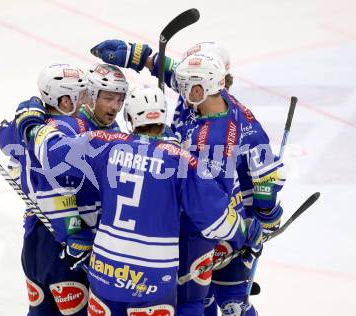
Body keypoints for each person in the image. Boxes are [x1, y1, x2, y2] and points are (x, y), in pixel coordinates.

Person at [13, 86, 264, 316]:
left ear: (131, 119)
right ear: (163, 119)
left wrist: (31, 124)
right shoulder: (181, 161)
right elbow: (216, 220)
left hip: (106, 272)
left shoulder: (105, 145)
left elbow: (53, 151)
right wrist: (245, 232)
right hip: (153, 279)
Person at [91, 40, 285, 316]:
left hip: (215, 225)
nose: (177, 88)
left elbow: (264, 175)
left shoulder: (236, 128)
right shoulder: (201, 101)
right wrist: (141, 57)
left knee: (223, 301)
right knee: (198, 300)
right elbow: (174, 74)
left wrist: (266, 214)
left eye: (184, 84)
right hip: (196, 220)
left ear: (201, 87)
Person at [0, 62, 128, 316]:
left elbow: (7, 141)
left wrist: (25, 118)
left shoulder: (101, 129)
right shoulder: (70, 128)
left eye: (120, 99)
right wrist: (72, 230)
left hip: (46, 239)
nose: (114, 106)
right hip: (60, 243)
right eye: (107, 97)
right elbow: (55, 189)